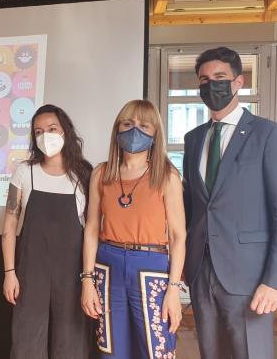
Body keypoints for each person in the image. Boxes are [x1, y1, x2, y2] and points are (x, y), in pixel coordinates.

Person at [183, 47, 277, 359]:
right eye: (204, 80)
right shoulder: (193, 139)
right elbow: (193, 206)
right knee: (211, 353)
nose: (212, 86)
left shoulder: (270, 135)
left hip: (250, 277)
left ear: (238, 82)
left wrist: (275, 281)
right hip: (201, 272)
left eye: (220, 78)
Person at [81, 99, 186, 359]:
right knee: (111, 348)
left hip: (151, 265)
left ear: (155, 133)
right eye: (127, 124)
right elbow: (92, 228)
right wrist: (87, 280)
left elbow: (178, 235)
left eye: (143, 125)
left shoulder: (167, 175)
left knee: (156, 349)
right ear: (117, 129)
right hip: (108, 263)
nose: (134, 131)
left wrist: (173, 289)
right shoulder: (101, 174)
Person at [1, 104, 93, 359]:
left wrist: (88, 279)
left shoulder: (84, 175)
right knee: (26, 342)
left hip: (72, 275)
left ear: (66, 131)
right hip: (30, 273)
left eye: (52, 129)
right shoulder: (23, 172)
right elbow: (9, 224)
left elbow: (93, 230)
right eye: (39, 131)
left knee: (71, 345)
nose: (46, 135)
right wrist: (10, 273)